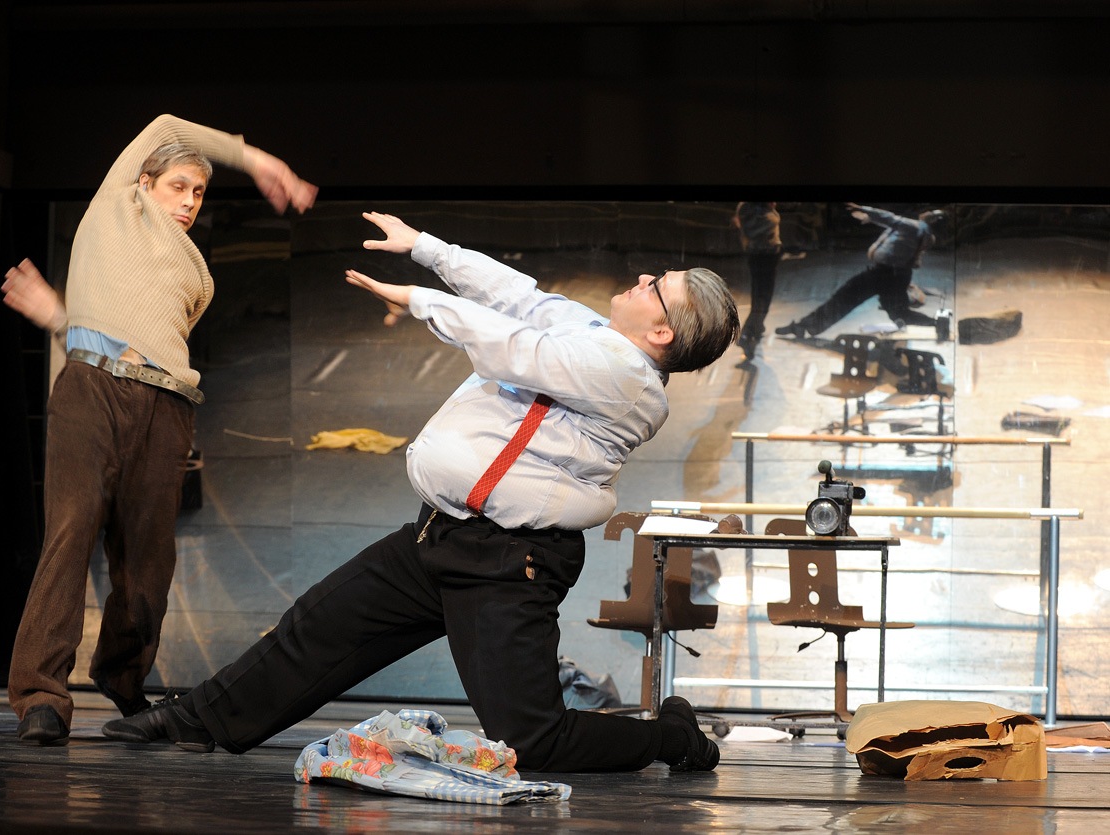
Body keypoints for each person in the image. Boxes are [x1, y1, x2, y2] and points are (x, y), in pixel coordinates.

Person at [102, 211, 741, 774]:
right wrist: (425, 248)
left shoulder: (629, 381)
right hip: (444, 533)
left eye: (657, 287)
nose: (642, 279)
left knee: (532, 741)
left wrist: (418, 298)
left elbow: (513, 348)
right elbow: (517, 295)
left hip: (508, 560)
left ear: (662, 333)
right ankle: (196, 720)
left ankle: (671, 736)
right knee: (317, 627)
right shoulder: (591, 331)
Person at [1, 114, 318, 746]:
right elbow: (169, 124)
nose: (190, 201)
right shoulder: (116, 208)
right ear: (144, 184)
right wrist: (259, 161)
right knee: (70, 533)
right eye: (179, 187)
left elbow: (138, 328)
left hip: (168, 405)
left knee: (148, 561)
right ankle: (40, 695)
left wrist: (62, 316)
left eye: (199, 192)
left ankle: (123, 677)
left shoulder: (197, 271)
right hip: (93, 394)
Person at [775, 203, 946, 338]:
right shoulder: (919, 231)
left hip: (885, 274)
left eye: (929, 214)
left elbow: (890, 218)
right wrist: (870, 218)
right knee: (898, 313)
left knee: (844, 298)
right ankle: (937, 323)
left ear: (930, 220)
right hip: (893, 275)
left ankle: (804, 327)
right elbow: (892, 223)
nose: (925, 213)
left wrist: (864, 209)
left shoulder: (915, 227)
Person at [731, 201, 782, 360]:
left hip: (767, 254)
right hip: (761, 255)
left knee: (761, 297)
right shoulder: (749, 207)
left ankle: (757, 327)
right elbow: (755, 229)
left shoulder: (759, 207)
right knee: (762, 298)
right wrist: (770, 211)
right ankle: (747, 335)